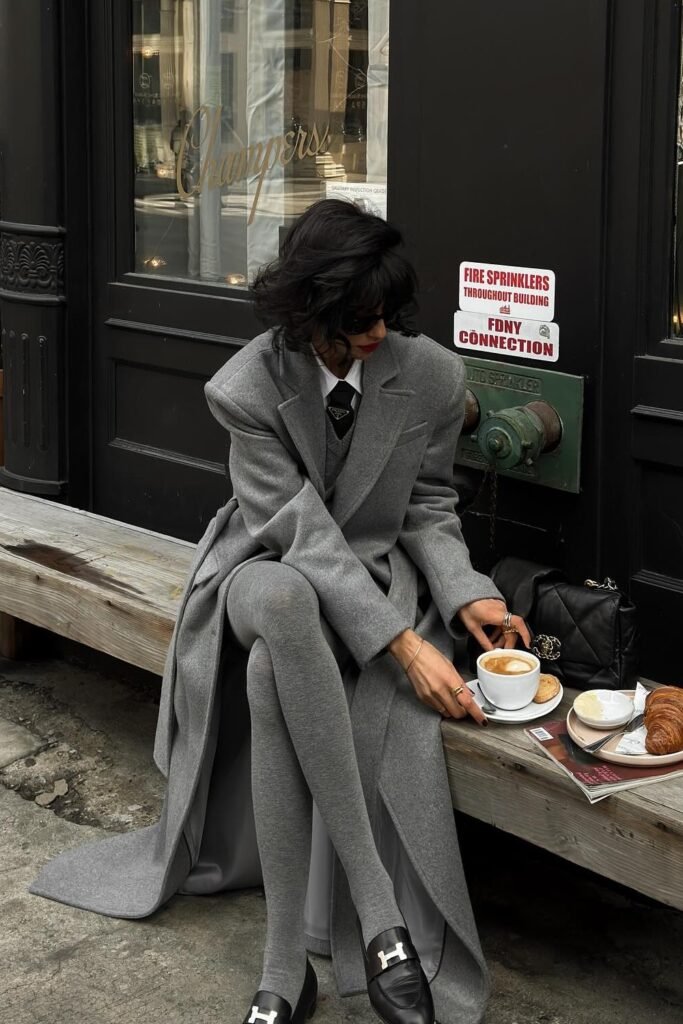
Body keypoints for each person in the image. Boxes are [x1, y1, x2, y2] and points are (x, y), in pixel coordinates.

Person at [28, 199, 529, 1024]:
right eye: (356, 321)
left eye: (386, 316)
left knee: (272, 671)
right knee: (288, 600)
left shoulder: (432, 376)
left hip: (371, 573)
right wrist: (405, 648)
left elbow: (429, 503)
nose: (376, 334)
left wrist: (465, 590)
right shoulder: (245, 387)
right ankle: (379, 916)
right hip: (262, 564)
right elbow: (296, 529)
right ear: (307, 312)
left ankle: (281, 971)